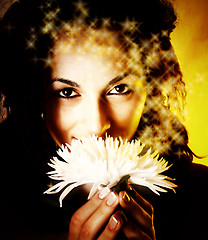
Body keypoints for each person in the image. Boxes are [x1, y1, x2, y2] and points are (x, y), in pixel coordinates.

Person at [0, 0, 208, 239]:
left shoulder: (203, 195)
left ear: (149, 89)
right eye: (67, 92)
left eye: (119, 89)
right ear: (37, 99)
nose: (97, 126)